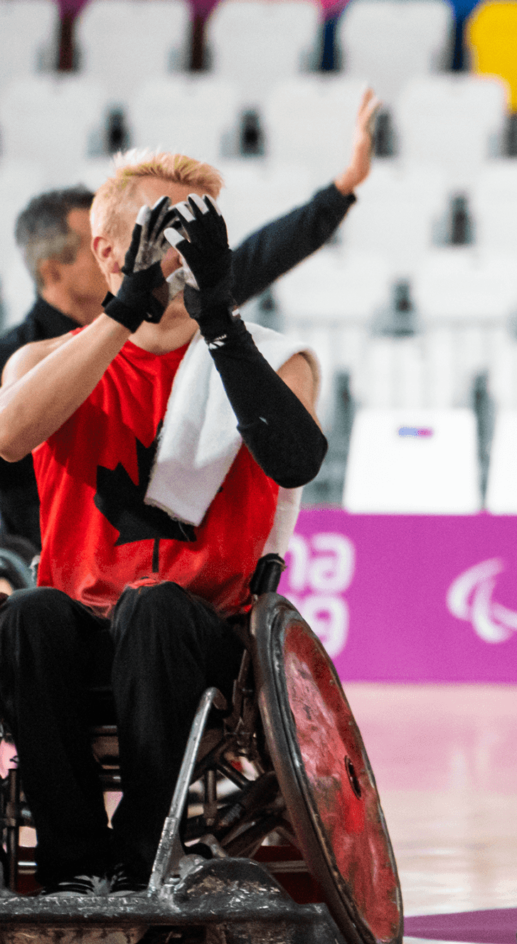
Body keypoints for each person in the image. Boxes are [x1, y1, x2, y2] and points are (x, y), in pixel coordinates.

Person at [0, 150, 325, 896]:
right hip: (81, 626)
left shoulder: (274, 361)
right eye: (162, 230)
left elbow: (296, 460)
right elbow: (9, 437)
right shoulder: (43, 361)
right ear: (108, 250)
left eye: (194, 233)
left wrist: (218, 315)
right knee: (28, 613)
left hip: (202, 634)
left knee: (151, 606)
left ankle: (149, 845)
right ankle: (74, 858)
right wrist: (122, 313)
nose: (179, 251)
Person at [0, 88, 379, 543]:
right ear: (91, 255)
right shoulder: (24, 356)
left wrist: (340, 190)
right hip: (39, 557)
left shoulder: (185, 301)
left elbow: (261, 254)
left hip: (178, 573)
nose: (150, 253)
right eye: (136, 237)